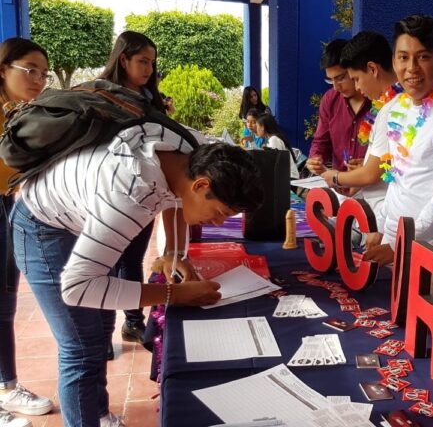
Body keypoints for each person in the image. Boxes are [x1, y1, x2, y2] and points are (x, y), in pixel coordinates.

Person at [11, 127, 262, 427]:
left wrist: (176, 255)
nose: (218, 223)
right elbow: (77, 289)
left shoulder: (194, 150)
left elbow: (175, 198)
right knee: (81, 347)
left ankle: (98, 414)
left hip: (82, 208)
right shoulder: (130, 195)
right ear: (202, 185)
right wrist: (176, 294)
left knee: (102, 326)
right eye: (219, 212)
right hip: (42, 224)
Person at [362, 14, 433, 265]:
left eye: (423, 57)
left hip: (428, 249)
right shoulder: (396, 106)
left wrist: (400, 246)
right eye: (403, 57)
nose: (411, 68)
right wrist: (382, 227)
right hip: (393, 241)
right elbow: (395, 177)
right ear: (394, 60)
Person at [98, 30, 165, 355]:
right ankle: (102, 334)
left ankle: (133, 321)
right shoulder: (100, 97)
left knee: (133, 260)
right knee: (105, 264)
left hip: (144, 195)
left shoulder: (151, 101)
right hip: (108, 196)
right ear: (123, 59)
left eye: (152, 62)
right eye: (142, 61)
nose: (148, 69)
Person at [0, 36, 54, 427]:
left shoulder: (16, 112)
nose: (38, 79)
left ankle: (6, 384)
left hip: (5, 203)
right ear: (3, 68)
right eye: (29, 70)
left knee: (5, 301)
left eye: (43, 73)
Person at [319, 31, 402, 215]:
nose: (357, 87)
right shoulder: (389, 104)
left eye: (356, 79)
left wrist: (337, 177)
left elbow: (372, 174)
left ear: (372, 69)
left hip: (386, 214)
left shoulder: (392, 108)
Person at [306, 39, 371, 176]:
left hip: (374, 187)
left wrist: (369, 165)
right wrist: (315, 158)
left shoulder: (377, 98)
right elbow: (321, 140)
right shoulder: (330, 100)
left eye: (340, 78)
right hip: (340, 185)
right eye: (330, 80)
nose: (336, 87)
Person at [250, 112, 299, 179]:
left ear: (263, 127)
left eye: (257, 126)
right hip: (286, 177)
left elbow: (274, 164)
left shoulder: (274, 139)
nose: (256, 129)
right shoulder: (273, 138)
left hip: (289, 179)